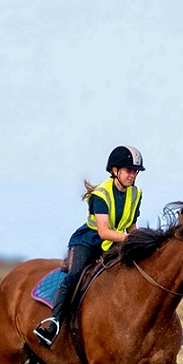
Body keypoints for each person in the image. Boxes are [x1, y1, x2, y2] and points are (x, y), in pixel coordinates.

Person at [35, 145, 143, 347]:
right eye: (129, 170)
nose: (133, 175)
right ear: (115, 170)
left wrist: (140, 243)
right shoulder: (101, 194)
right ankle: (54, 324)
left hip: (115, 244)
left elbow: (132, 227)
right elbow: (103, 231)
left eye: (135, 172)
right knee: (74, 276)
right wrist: (129, 238)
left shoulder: (136, 194)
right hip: (89, 242)